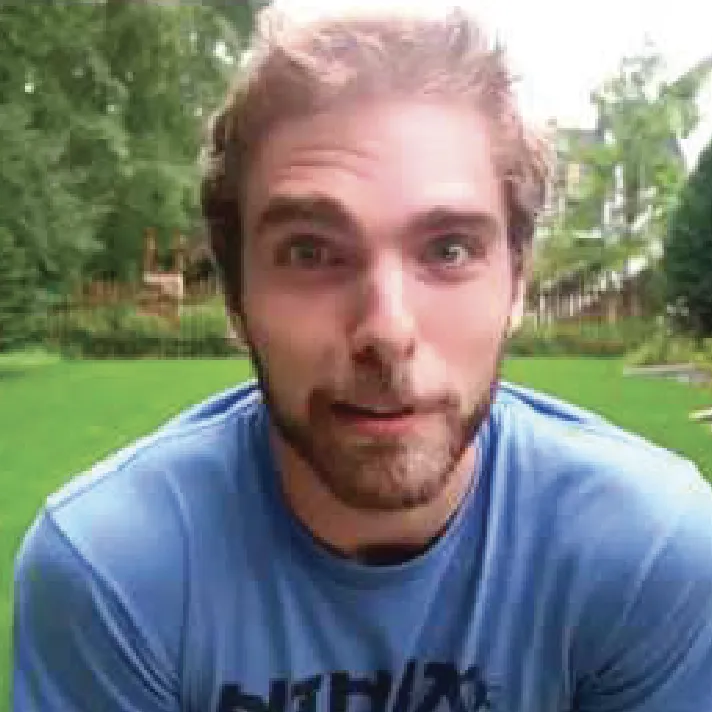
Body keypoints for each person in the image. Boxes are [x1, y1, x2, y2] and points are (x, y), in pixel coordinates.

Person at [12, 2, 712, 710]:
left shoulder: (647, 552)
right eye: (311, 253)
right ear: (235, 296)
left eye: (449, 250)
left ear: (517, 283)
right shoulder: (113, 569)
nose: (386, 329)